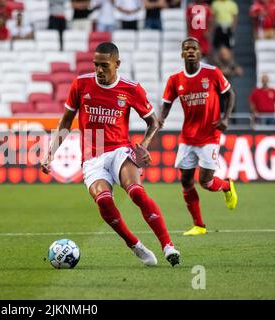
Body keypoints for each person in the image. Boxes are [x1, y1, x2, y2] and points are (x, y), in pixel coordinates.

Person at [41, 42, 181, 267]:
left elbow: (153, 122)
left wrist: (145, 144)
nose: (99, 70)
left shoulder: (131, 88)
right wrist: (50, 153)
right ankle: (135, 245)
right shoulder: (81, 84)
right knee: (104, 202)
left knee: (136, 193)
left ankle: (168, 245)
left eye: (104, 65)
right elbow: (66, 121)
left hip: (119, 150)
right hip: (92, 157)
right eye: (96, 65)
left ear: (117, 64)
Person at [159, 37, 238, 236]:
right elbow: (167, 102)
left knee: (206, 182)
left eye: (194, 48)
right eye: (187, 49)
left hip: (210, 135)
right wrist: (161, 119)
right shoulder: (175, 80)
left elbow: (230, 94)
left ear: (200, 52)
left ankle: (227, 186)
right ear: (182, 54)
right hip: (187, 137)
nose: (191, 51)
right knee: (185, 180)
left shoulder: (212, 73)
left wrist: (226, 118)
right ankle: (199, 225)